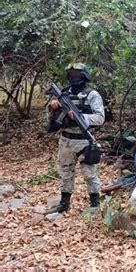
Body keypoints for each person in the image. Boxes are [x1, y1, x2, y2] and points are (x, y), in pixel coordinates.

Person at [46, 63, 105, 214]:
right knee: (65, 172)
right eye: (71, 74)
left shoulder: (92, 94)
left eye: (77, 74)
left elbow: (100, 118)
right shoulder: (64, 94)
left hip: (84, 139)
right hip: (66, 140)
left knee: (89, 173)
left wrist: (81, 117)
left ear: (84, 75)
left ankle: (94, 204)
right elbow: (52, 120)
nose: (73, 77)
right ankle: (64, 204)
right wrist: (53, 107)